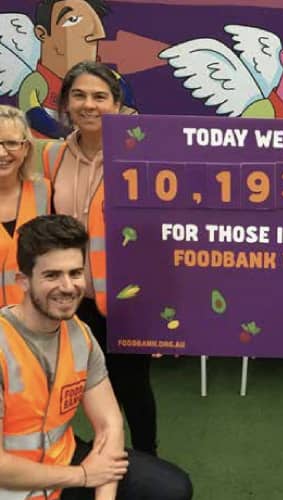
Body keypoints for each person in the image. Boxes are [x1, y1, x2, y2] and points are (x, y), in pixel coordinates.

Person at [0, 214, 193, 499]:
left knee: (170, 488)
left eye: (75, 273)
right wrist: (82, 475)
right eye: (52, 275)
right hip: (13, 485)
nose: (67, 287)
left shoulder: (81, 335)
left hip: (62, 464)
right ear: (23, 281)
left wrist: (104, 494)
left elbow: (109, 424)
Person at [40, 60, 157, 455]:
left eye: (99, 96)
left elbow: (160, 238)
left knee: (131, 384)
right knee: (70, 382)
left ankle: (146, 460)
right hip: (68, 298)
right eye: (79, 95)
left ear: (118, 104)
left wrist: (163, 310)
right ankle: (86, 454)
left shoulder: (141, 156)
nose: (89, 105)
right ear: (67, 102)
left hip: (125, 298)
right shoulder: (52, 157)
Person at [17, 0, 137, 138]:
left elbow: (131, 117)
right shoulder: (37, 84)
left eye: (99, 97)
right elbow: (34, 117)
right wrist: (74, 137)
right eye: (74, 20)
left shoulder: (110, 78)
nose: (98, 34)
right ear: (42, 33)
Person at [0, 105, 50, 307]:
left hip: (32, 322)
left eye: (11, 143)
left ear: (26, 147)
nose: (2, 153)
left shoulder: (45, 192)